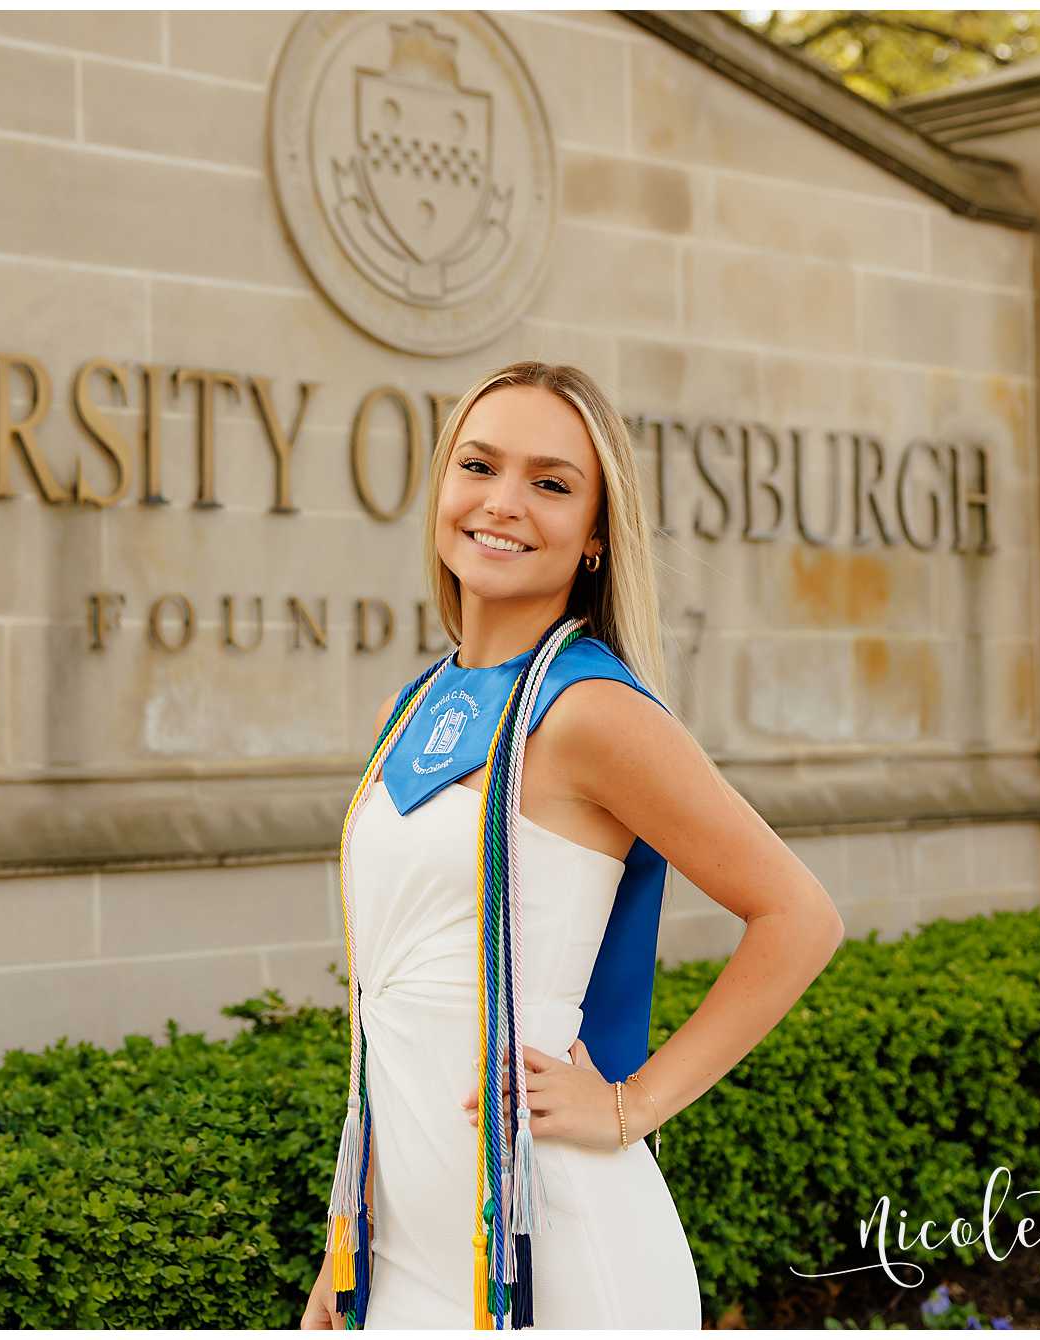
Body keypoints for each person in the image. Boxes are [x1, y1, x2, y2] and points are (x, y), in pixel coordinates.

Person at [300, 362, 846, 1329]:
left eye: (551, 483)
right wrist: (342, 1265)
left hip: (552, 1247)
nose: (503, 503)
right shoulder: (416, 704)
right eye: (479, 465)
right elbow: (397, 1007)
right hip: (403, 1250)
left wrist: (633, 1107)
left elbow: (799, 916)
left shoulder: (590, 712)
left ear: (596, 536)